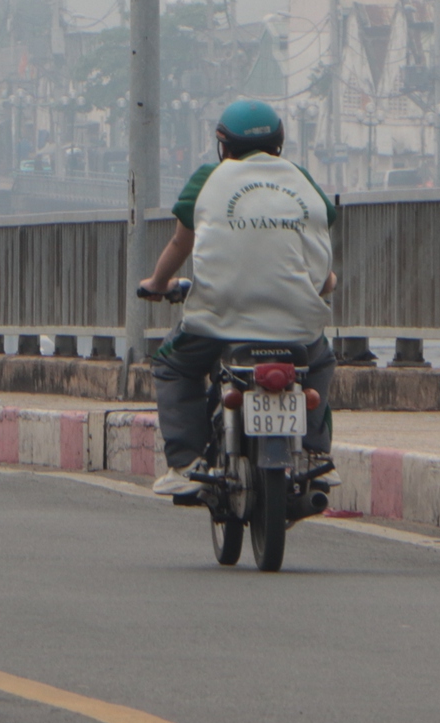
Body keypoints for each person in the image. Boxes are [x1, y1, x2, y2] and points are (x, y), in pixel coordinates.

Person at [136, 99, 342, 497]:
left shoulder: (208, 179)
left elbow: (182, 242)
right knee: (319, 361)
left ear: (222, 144)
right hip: (294, 324)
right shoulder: (299, 180)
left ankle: (185, 464)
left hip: (219, 317)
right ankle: (316, 455)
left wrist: (159, 283)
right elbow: (321, 255)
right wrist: (324, 283)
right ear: (279, 143)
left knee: (173, 367)